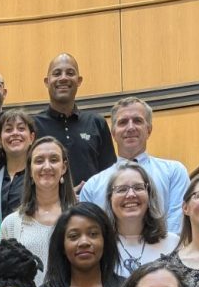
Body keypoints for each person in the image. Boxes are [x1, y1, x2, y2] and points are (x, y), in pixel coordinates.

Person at [80, 97, 189, 235]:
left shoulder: (174, 172)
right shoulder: (92, 186)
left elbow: (176, 225)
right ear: (113, 133)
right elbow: (91, 233)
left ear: (149, 130)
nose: (130, 127)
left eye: (137, 121)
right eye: (123, 122)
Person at [0, 135, 77, 284]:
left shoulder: (80, 219)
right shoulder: (11, 223)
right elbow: (2, 277)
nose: (47, 166)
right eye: (39, 161)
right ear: (29, 169)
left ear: (64, 167)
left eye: (54, 160)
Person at [33, 54, 115, 190]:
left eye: (70, 73)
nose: (63, 78)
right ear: (47, 82)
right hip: (47, 202)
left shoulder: (97, 123)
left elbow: (109, 174)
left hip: (90, 202)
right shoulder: (33, 126)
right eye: (57, 73)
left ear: (79, 81)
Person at [105, 163, 179, 277]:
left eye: (138, 188)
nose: (131, 194)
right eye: (122, 189)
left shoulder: (173, 243)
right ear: (110, 198)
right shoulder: (101, 246)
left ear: (149, 195)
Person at [0, 108, 37, 219]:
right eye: (8, 129)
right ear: (0, 140)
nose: (15, 133)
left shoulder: (41, 178)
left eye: (21, 128)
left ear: (31, 138)